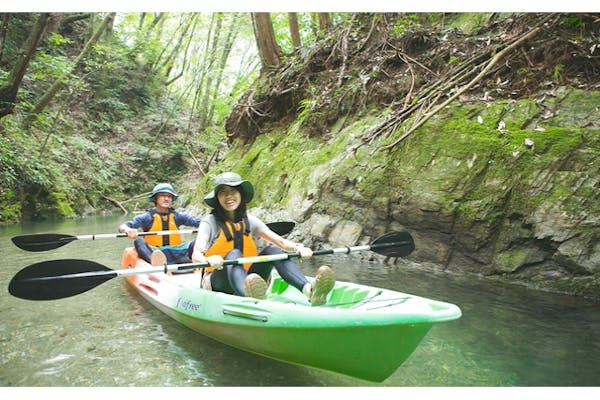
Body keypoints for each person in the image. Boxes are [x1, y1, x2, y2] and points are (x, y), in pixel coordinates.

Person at [191, 172, 335, 305]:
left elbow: (281, 242)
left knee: (273, 250)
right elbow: (196, 253)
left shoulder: (250, 221)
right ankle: (249, 297)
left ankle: (310, 290)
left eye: (233, 191)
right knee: (234, 254)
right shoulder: (209, 222)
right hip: (218, 282)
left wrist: (299, 248)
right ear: (217, 198)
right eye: (223, 193)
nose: (229, 196)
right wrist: (207, 260)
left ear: (240, 194)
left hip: (251, 280)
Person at [119, 183, 202, 266]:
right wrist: (128, 230)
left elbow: (200, 223)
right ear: (156, 198)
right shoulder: (147, 217)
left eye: (169, 196)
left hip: (177, 252)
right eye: (162, 196)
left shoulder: (178, 216)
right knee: (139, 241)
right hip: (154, 252)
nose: (166, 199)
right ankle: (156, 263)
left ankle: (192, 260)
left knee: (198, 241)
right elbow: (123, 226)